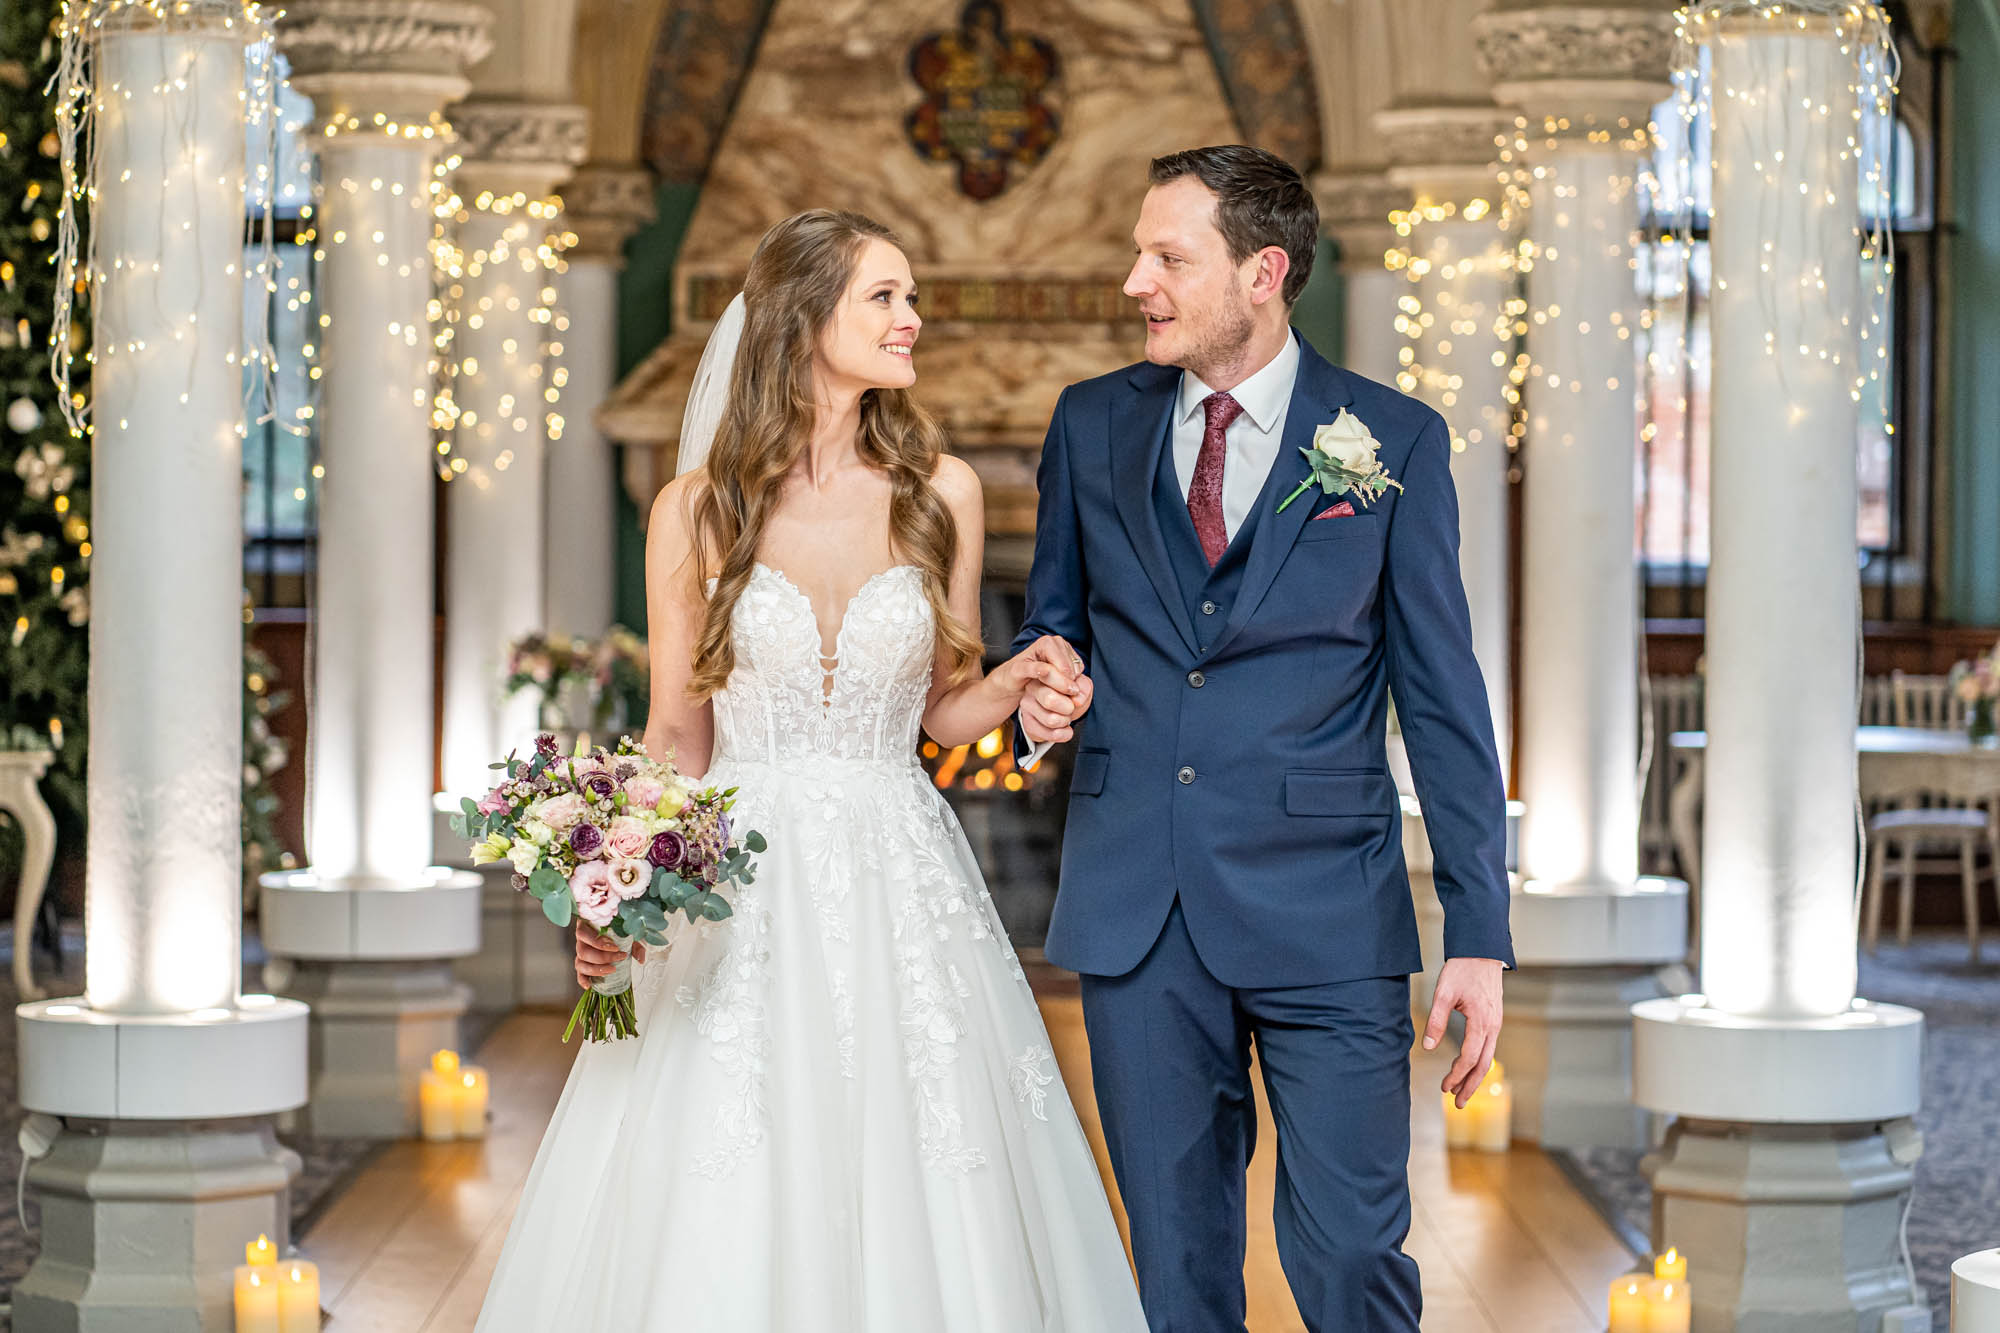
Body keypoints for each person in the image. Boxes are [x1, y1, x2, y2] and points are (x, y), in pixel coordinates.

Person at [476, 209, 1147, 1332]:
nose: (912, 318)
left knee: (920, 1147)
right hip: (741, 881)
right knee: (730, 1150)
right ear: (802, 319)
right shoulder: (695, 510)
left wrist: (1027, 676)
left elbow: (944, 707)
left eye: (909, 295)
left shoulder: (944, 492)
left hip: (902, 868)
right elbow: (677, 734)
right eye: (883, 296)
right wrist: (619, 886)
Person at [1011, 145, 1514, 1332]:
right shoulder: (1090, 425)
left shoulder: (1391, 438)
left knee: (1348, 1256)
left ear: (1262, 273)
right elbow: (1052, 621)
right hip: (1140, 904)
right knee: (1176, 1267)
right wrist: (1044, 683)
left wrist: (1479, 933)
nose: (1135, 279)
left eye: (1166, 257)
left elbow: (1441, 696)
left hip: (1326, 908)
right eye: (1139, 252)